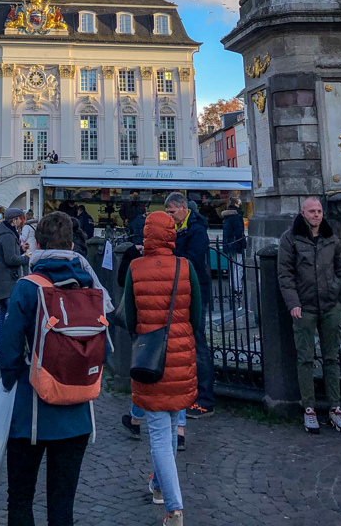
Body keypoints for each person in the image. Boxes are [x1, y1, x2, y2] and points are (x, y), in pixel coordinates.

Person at [0, 211, 104, 526]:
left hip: (31, 411)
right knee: (62, 506)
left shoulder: (28, 287)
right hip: (78, 412)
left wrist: (10, 382)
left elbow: (8, 348)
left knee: (20, 500)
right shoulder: (90, 287)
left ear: (36, 244)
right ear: (72, 244)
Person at [124, 211, 199, 526]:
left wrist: (144, 338)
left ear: (146, 235)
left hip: (150, 359)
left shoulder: (135, 268)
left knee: (159, 434)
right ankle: (158, 486)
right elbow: (196, 313)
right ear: (172, 234)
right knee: (168, 429)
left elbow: (130, 317)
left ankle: (174, 508)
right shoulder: (185, 267)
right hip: (180, 355)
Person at [277, 197, 341, 433]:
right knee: (305, 358)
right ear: (303, 213)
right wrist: (293, 303)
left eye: (319, 211)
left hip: (330, 305)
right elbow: (285, 274)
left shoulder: (331, 237)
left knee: (332, 357)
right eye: (312, 211)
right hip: (304, 307)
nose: (317, 215)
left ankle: (335, 407)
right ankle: (309, 407)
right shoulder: (290, 238)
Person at [164, 191, 213, 419]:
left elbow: (192, 259)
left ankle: (204, 399)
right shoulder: (179, 227)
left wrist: (171, 255)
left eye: (172, 212)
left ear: (183, 208)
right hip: (182, 291)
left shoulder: (197, 229)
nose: (169, 216)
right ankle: (189, 393)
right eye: (167, 212)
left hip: (196, 292)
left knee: (198, 342)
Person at [0, 207, 29, 354]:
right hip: (6, 281)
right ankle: (3, 349)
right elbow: (10, 259)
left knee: (4, 314)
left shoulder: (6, 232)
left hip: (4, 280)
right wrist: (26, 258)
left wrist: (20, 249)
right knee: (8, 317)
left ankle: (1, 349)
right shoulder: (7, 235)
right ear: (14, 220)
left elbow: (9, 253)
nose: (22, 221)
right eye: (21, 218)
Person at [220, 199, 246, 299]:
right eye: (239, 203)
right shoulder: (236, 216)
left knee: (233, 267)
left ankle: (233, 287)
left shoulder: (228, 216)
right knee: (238, 267)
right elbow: (239, 232)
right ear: (236, 204)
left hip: (229, 244)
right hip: (236, 244)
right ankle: (237, 289)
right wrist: (243, 243)